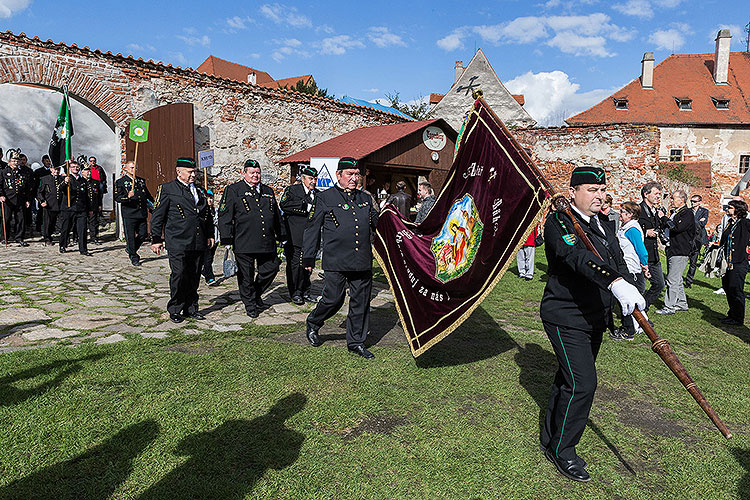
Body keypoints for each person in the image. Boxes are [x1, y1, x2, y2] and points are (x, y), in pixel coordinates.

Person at [540, 166, 644, 482]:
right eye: (590, 190)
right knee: (583, 383)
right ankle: (564, 450)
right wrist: (614, 282)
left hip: (594, 317)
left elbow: (616, 264)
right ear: (573, 192)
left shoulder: (602, 224)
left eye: (601, 191)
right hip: (566, 315)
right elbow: (576, 258)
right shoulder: (560, 222)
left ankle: (549, 436)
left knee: (567, 380)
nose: (598, 196)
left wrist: (635, 302)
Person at [303, 157, 379, 359]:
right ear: (338, 175)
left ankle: (356, 342)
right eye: (349, 175)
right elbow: (312, 229)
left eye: (357, 175)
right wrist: (308, 258)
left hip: (361, 259)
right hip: (336, 259)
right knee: (333, 299)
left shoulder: (364, 198)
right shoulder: (325, 197)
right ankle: (314, 321)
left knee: (361, 301)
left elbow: (376, 224)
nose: (354, 179)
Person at [150, 157, 215, 323]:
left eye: (194, 171)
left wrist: (210, 234)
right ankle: (175, 309)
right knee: (179, 274)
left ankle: (191, 308)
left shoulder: (200, 190)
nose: (193, 175)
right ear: (179, 171)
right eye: (190, 172)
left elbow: (206, 216)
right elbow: (158, 216)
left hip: (198, 240)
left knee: (193, 276)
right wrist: (156, 239)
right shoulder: (167, 189)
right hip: (177, 240)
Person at [218, 159, 283, 318]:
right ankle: (250, 304)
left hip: (266, 240)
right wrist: (226, 239)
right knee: (246, 276)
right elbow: (225, 215)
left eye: (258, 172)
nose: (256, 175)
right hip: (244, 240)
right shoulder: (233, 190)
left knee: (271, 268)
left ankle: (255, 294)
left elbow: (275, 215)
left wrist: (282, 235)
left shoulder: (267, 190)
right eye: (252, 172)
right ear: (244, 173)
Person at [280, 165, 318, 305]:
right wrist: (304, 207)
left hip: (311, 237)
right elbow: (284, 204)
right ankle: (295, 292)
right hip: (295, 235)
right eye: (310, 178)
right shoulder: (293, 190)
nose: (313, 181)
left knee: (308, 264)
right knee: (295, 265)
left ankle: (306, 290)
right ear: (303, 179)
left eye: (315, 178)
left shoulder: (318, 194)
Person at [612, 201, 650, 340]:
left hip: (631, 269)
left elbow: (641, 250)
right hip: (625, 266)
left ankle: (629, 331)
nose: (619, 213)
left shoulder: (632, 229)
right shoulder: (625, 227)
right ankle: (639, 325)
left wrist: (645, 266)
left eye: (622, 211)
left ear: (630, 214)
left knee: (627, 300)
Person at [655, 190, 695, 315]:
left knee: (672, 279)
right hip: (673, 248)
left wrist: (663, 217)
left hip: (680, 250)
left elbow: (677, 228)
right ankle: (681, 303)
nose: (671, 201)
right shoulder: (676, 212)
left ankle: (669, 306)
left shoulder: (687, 213)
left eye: (673, 198)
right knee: (676, 279)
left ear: (681, 200)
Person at [114, 160, 153, 266]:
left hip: (141, 212)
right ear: (125, 169)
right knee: (130, 236)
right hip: (129, 213)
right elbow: (117, 198)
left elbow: (147, 196)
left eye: (135, 167)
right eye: (131, 167)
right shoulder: (121, 182)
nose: (133, 169)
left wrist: (153, 205)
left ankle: (131, 249)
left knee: (143, 233)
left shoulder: (140, 181)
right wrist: (127, 197)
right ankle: (134, 256)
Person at [718, 199, 750, 325]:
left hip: (739, 262)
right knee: (728, 287)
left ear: (737, 210)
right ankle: (732, 314)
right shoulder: (730, 223)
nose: (727, 209)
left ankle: (738, 318)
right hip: (728, 262)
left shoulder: (745, 223)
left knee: (736, 290)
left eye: (729, 207)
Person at [638, 181, 667, 310]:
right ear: (646, 194)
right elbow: (628, 229)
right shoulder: (638, 210)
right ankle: (636, 313)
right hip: (642, 254)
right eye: (656, 193)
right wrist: (645, 232)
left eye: (659, 194)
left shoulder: (655, 211)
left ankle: (643, 306)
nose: (658, 196)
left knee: (660, 284)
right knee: (640, 287)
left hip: (654, 255)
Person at [58, 161, 92, 255]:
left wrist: (89, 209)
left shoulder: (83, 181)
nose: (75, 169)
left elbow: (86, 196)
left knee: (82, 229)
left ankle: (83, 249)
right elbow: (60, 189)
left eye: (77, 167)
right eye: (73, 167)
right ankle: (63, 245)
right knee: (66, 228)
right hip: (68, 208)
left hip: (81, 209)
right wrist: (65, 182)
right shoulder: (65, 179)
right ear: (69, 169)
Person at [0, 152, 33, 246]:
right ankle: (4, 237)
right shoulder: (3, 172)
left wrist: (28, 199)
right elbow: (0, 185)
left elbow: (27, 187)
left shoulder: (22, 172)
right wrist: (1, 195)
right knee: (6, 219)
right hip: (8, 199)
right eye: (13, 161)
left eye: (17, 161)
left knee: (21, 219)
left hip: (20, 199)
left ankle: (19, 238)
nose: (15, 162)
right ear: (9, 162)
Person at [685, 195, 709, 288]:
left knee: (693, 262)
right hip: (688, 238)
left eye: (695, 201)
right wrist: (697, 221)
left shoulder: (704, 211)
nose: (693, 203)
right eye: (692, 201)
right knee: (683, 260)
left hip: (698, 239)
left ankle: (689, 282)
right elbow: (688, 223)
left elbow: (703, 223)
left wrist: (692, 222)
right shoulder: (688, 211)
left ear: (699, 202)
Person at [36, 164, 63, 245]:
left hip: (60, 204)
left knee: (60, 222)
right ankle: (47, 237)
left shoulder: (62, 179)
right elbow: (40, 192)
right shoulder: (45, 179)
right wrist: (42, 201)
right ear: (51, 169)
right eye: (55, 169)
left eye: (58, 169)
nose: (56, 171)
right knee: (48, 222)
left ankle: (63, 237)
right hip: (49, 204)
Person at [81, 166, 103, 245]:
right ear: (82, 172)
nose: (88, 173)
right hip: (83, 206)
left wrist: (99, 204)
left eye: (89, 172)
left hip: (93, 205)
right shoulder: (80, 181)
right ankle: (78, 238)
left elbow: (99, 195)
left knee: (94, 222)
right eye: (86, 172)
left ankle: (94, 238)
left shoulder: (95, 182)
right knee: (82, 223)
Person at [202, 190, 219, 285]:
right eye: (208, 198)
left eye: (211, 198)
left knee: (210, 257)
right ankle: (210, 277)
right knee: (207, 258)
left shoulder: (215, 210)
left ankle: (204, 271)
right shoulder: (203, 211)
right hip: (205, 238)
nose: (210, 200)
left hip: (215, 237)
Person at [33, 155, 54, 233]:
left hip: (50, 195)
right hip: (41, 194)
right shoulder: (39, 171)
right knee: (41, 211)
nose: (48, 162)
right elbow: (36, 184)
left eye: (49, 161)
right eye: (46, 161)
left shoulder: (52, 171)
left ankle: (50, 228)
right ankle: (39, 227)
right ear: (43, 161)